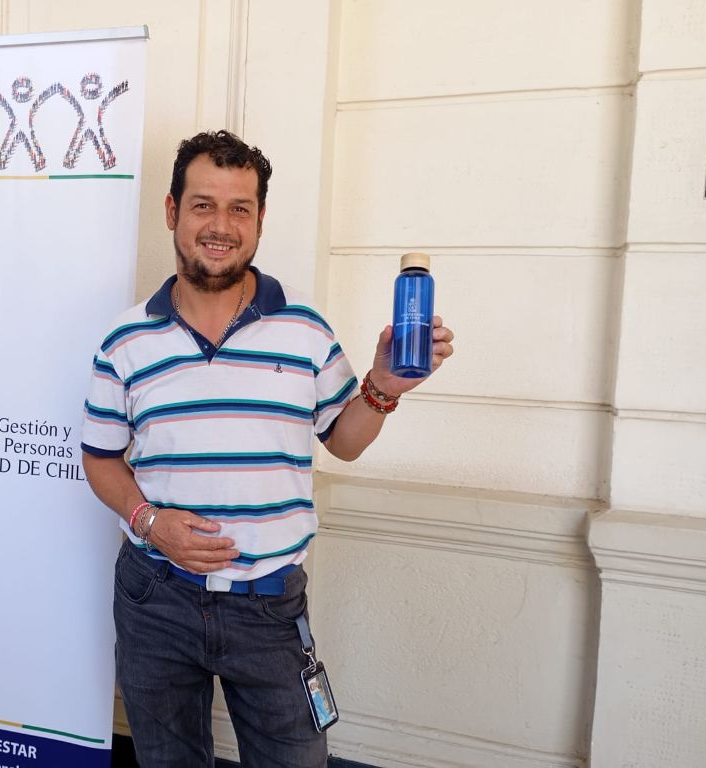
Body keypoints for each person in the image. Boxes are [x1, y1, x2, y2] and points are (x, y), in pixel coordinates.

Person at [81, 130, 455, 768]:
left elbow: (345, 441)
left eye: (240, 209)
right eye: (203, 205)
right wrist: (149, 522)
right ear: (172, 211)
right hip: (156, 599)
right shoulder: (126, 340)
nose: (220, 226)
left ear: (258, 220)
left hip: (270, 606)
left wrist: (383, 387)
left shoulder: (304, 330)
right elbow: (100, 458)